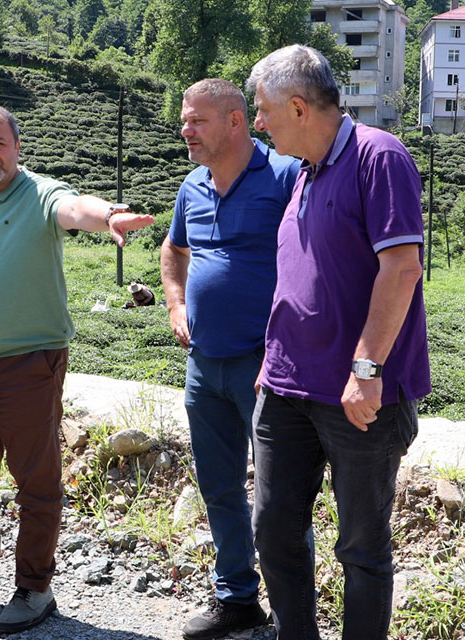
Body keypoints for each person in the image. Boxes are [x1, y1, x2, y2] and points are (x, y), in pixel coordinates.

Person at [0, 104, 154, 634]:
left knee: (36, 482)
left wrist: (110, 216)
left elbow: (75, 209)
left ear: (17, 147)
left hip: (27, 366)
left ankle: (34, 588)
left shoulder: (39, 193)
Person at [244, 45, 430, 640]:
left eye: (263, 109)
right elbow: (303, 274)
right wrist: (273, 358)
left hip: (359, 394)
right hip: (287, 387)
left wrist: (366, 367)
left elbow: (401, 268)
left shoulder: (379, 156)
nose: (258, 122)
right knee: (273, 528)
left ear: (297, 106)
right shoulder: (306, 171)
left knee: (362, 548)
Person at [160, 78, 299, 640]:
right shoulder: (192, 186)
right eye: (185, 120)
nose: (185, 129)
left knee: (277, 500)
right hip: (204, 365)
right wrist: (174, 303)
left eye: (196, 120)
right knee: (218, 486)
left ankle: (295, 617)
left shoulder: (286, 175)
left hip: (266, 365)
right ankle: (237, 597)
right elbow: (173, 250)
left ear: (237, 121)